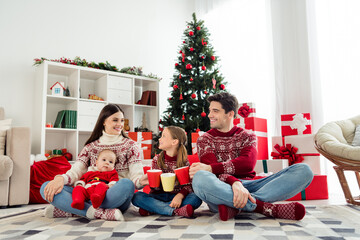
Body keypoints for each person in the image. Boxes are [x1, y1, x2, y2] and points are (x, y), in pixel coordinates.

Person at [189, 92, 314, 221]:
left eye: (215, 111)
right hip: (222, 186)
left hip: (251, 185)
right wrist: (235, 182)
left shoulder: (248, 136)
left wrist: (212, 169)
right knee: (200, 178)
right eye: (210, 111)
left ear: (230, 114)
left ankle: (234, 206)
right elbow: (212, 174)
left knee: (304, 170)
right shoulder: (204, 139)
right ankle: (262, 207)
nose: (210, 115)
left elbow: (247, 163)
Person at [41, 104, 144, 221]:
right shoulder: (90, 147)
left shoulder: (131, 146)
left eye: (122, 120)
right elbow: (76, 171)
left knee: (127, 184)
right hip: (88, 193)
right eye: (115, 120)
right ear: (103, 122)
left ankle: (74, 211)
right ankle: (98, 212)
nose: (120, 124)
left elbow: (136, 177)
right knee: (45, 187)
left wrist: (141, 181)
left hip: (113, 196)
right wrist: (60, 179)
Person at [132, 126, 202, 218]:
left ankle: (155, 208)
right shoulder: (157, 159)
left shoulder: (184, 161)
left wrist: (180, 196)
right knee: (137, 197)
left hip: (176, 197)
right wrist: (151, 183)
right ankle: (174, 211)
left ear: (174, 142)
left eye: (164, 136)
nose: (160, 139)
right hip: (158, 195)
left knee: (196, 197)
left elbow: (188, 185)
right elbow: (155, 188)